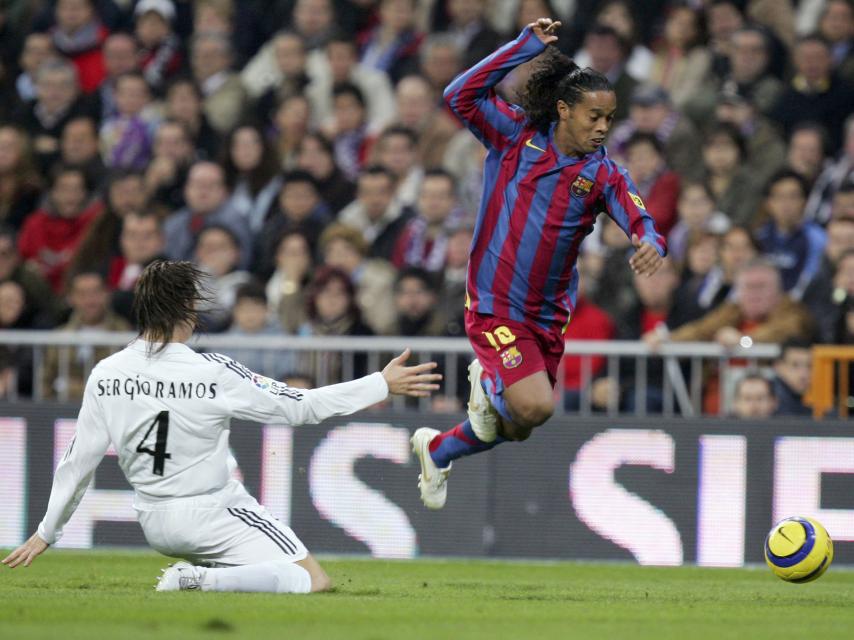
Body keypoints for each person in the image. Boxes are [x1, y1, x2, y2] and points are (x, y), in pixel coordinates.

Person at [2, 259, 440, 593]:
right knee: (309, 580)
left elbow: (78, 461)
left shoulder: (106, 372)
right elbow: (300, 407)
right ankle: (195, 580)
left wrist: (47, 532)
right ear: (187, 310)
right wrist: (379, 384)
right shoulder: (212, 371)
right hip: (210, 511)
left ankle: (203, 573)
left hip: (151, 518)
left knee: (252, 563)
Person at [410, 18, 665, 510]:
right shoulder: (515, 135)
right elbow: (459, 93)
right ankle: (486, 385)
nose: (602, 128)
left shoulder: (602, 174)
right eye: (593, 116)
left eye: (609, 119)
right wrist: (522, 47)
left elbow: (638, 213)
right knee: (534, 406)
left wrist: (648, 238)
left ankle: (439, 449)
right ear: (564, 109)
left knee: (520, 425)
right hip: (495, 302)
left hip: (547, 316)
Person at [772, 338, 813, 416]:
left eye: (809, 366)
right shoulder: (766, 400)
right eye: (795, 365)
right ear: (778, 366)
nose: (803, 374)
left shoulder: (819, 402)